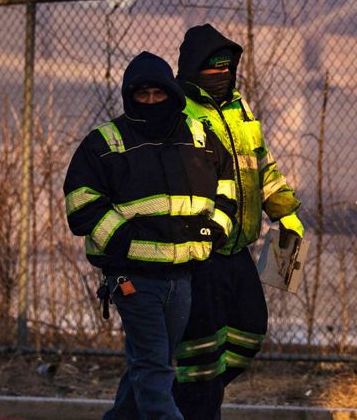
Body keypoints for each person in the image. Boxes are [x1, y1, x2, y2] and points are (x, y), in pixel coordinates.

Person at [64, 51, 237, 420]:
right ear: (130, 96)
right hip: (133, 279)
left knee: (149, 363)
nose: (152, 102)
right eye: (143, 95)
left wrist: (216, 230)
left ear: (172, 93)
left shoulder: (200, 137)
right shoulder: (104, 142)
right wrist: (124, 242)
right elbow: (81, 204)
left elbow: (228, 188)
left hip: (183, 277)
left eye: (159, 95)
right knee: (156, 368)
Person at [171, 24, 303, 420]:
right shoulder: (179, 114)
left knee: (250, 329)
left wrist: (286, 213)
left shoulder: (240, 110)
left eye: (228, 68)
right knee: (200, 353)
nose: (222, 75)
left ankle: (184, 395)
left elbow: (263, 165)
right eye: (213, 68)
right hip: (201, 252)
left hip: (238, 248)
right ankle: (192, 406)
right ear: (193, 70)